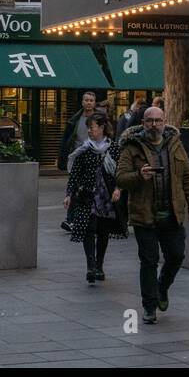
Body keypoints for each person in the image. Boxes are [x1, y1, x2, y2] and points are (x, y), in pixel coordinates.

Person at [116, 105, 189, 324]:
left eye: (158, 120)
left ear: (164, 122)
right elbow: (120, 178)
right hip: (144, 215)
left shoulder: (175, 145)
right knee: (149, 261)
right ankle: (149, 306)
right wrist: (138, 175)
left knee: (176, 256)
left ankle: (162, 287)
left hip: (172, 214)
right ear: (143, 123)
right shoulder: (131, 147)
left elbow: (188, 177)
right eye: (150, 121)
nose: (154, 125)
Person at [62, 112, 127, 284]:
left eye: (92, 127)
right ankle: (91, 266)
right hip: (87, 196)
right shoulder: (84, 149)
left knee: (103, 231)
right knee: (89, 230)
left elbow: (121, 171)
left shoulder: (113, 148)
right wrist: (68, 194)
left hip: (106, 197)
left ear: (102, 128)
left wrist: (118, 188)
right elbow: (75, 174)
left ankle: (99, 265)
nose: (89, 131)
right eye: (88, 128)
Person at [57, 91, 99, 171]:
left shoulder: (100, 120)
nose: (89, 103)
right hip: (77, 156)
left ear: (94, 103)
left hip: (95, 156)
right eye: (86, 100)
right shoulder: (74, 120)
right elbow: (65, 141)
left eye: (91, 100)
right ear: (82, 103)